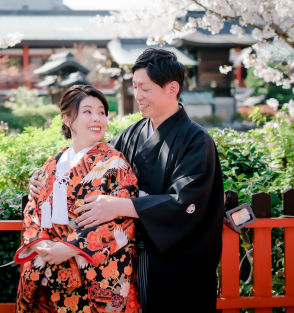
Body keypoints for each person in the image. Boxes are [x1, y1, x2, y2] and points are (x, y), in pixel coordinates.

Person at [29, 49, 225, 313]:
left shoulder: (197, 141)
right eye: (135, 87)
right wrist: (44, 182)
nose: (137, 96)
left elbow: (184, 203)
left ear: (172, 88)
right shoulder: (131, 135)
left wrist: (118, 206)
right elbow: (93, 172)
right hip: (128, 260)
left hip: (178, 264)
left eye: (144, 88)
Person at [15, 85, 141, 313]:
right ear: (67, 119)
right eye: (88, 111)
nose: (97, 118)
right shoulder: (52, 163)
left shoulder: (114, 163)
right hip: (49, 267)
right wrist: (42, 244)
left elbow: (121, 218)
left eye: (102, 112)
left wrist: (71, 247)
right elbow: (33, 211)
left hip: (94, 272)